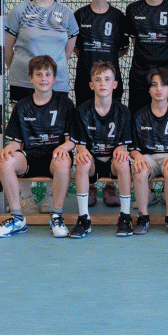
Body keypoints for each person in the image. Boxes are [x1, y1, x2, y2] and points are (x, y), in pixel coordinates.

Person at [3, 0, 79, 212]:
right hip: (24, 82)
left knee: (54, 136)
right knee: (25, 138)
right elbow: (7, 49)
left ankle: (49, 196)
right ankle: (25, 196)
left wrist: (48, 74)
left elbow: (67, 50)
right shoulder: (19, 11)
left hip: (55, 83)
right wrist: (25, 73)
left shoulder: (65, 13)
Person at [0, 56, 76, 238]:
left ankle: (56, 216)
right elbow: (16, 142)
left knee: (63, 161)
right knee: (5, 161)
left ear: (54, 78)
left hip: (54, 158)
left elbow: (71, 141)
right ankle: (17, 219)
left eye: (48, 74)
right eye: (39, 74)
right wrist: (10, 148)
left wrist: (64, 148)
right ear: (31, 78)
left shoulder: (65, 104)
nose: (43, 79)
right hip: (30, 157)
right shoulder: (22, 106)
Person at [73, 0, 130, 209]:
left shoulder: (118, 17)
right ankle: (90, 184)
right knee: (87, 131)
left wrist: (105, 71)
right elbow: (75, 47)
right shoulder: (79, 15)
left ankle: (110, 185)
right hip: (85, 81)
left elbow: (122, 48)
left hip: (109, 84)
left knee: (111, 130)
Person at [68, 62, 133, 238]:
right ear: (91, 85)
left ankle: (125, 217)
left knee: (123, 162)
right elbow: (81, 145)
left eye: (107, 79)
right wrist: (82, 151)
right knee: (82, 162)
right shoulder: (82, 110)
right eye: (98, 79)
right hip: (93, 162)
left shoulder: (123, 112)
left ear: (115, 84)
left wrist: (121, 149)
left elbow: (123, 145)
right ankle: (84, 219)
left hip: (112, 162)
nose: (103, 83)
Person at [129, 67, 168, 235]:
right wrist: (137, 156)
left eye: (163, 84)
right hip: (147, 157)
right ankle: (143, 217)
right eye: (154, 85)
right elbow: (133, 149)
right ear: (149, 89)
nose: (158, 89)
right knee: (140, 171)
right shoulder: (139, 116)